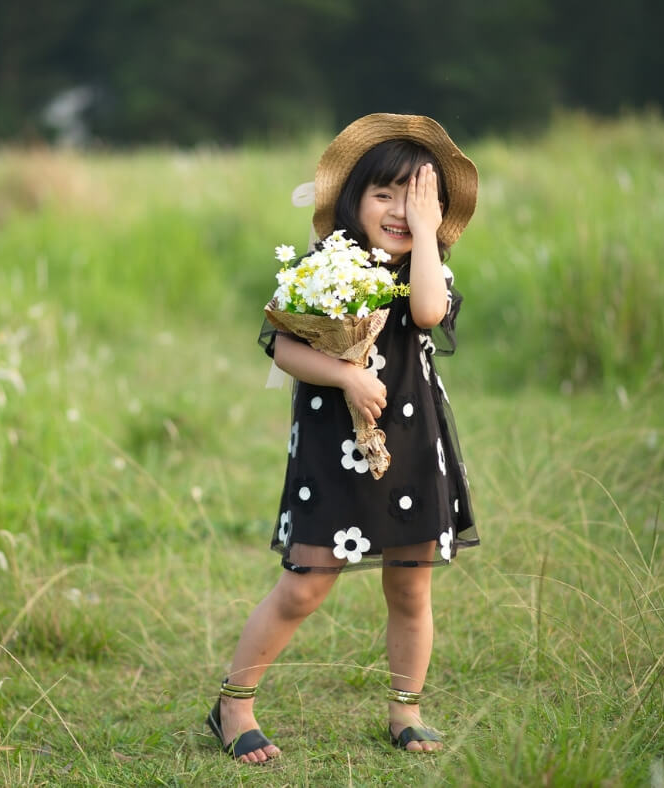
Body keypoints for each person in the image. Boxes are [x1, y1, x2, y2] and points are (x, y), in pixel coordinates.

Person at [205, 113, 480, 763]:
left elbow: (429, 314)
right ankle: (233, 704)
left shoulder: (424, 267)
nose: (397, 209)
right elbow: (285, 349)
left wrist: (424, 233)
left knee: (411, 586)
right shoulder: (329, 265)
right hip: (334, 446)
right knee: (305, 581)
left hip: (411, 444)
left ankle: (404, 709)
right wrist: (345, 377)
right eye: (383, 193)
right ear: (353, 199)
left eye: (415, 197)